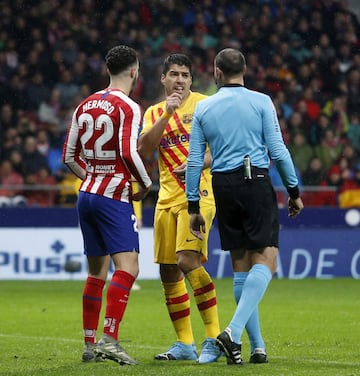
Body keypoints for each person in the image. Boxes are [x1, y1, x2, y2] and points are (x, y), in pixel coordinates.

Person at [186, 48, 304, 365]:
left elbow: (195, 161)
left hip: (223, 187)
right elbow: (278, 150)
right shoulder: (262, 101)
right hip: (255, 180)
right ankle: (233, 332)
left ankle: (257, 347)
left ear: (217, 72)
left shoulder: (204, 107)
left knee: (241, 267)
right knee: (266, 261)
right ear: (245, 69)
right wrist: (293, 190)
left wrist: (193, 205)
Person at [62, 45, 152, 365]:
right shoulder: (128, 107)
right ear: (134, 71)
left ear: (107, 70)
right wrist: (146, 183)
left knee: (97, 272)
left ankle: (89, 345)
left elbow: (69, 156)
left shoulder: (85, 105)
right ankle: (110, 340)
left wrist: (93, 177)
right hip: (112, 197)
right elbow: (129, 152)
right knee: (129, 267)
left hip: (86, 194)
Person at [138, 53, 222, 364]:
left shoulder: (204, 104)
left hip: (197, 195)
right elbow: (145, 149)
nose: (180, 80)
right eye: (174, 74)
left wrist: (199, 161)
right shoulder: (154, 111)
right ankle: (185, 343)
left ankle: (213, 338)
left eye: (185, 74)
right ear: (163, 79)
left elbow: (223, 147)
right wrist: (166, 115)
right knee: (168, 270)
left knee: (187, 260)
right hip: (165, 200)